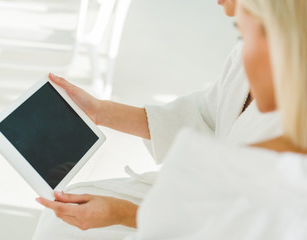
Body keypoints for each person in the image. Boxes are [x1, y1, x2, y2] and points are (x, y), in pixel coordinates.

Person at [32, 0, 282, 239]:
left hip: (226, 224)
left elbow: (254, 225)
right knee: (61, 218)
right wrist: (99, 111)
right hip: (205, 195)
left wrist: (120, 213)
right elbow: (202, 118)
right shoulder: (252, 48)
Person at [126, 0, 307, 239]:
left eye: (242, 36)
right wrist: (99, 110)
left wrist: (125, 213)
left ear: (280, 42)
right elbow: (206, 113)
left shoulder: (240, 177)